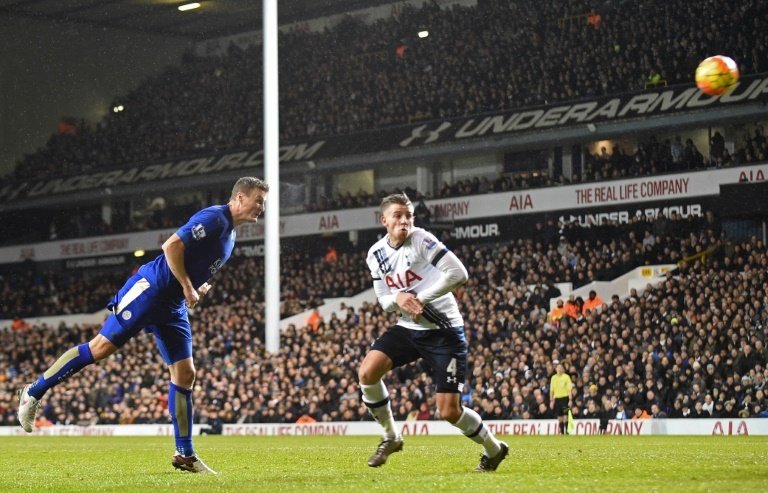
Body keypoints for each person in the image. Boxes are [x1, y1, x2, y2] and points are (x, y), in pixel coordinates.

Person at [17, 177, 269, 475]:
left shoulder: (231, 235)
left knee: (185, 373)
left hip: (172, 306)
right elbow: (171, 245)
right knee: (101, 348)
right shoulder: (215, 218)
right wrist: (188, 287)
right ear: (240, 197)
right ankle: (33, 391)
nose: (262, 208)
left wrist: (195, 288)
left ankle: (185, 454)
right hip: (150, 289)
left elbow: (191, 263)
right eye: (258, 201)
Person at [358, 193, 508, 472]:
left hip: (444, 332)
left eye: (409, 216)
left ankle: (494, 449)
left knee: (449, 411)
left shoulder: (422, 240)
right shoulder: (375, 254)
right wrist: (400, 299)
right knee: (367, 373)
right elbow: (384, 301)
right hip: (409, 328)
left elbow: (459, 274)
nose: (404, 221)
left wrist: (419, 298)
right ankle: (391, 436)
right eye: (398, 216)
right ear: (384, 220)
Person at [549, 361, 573, 435]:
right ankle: (562, 432)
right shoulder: (553, 378)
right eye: (558, 368)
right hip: (557, 399)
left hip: (565, 399)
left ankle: (567, 432)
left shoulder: (566, 377)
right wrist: (551, 401)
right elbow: (551, 391)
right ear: (556, 369)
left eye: (561, 368)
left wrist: (570, 399)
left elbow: (569, 389)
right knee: (559, 417)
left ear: (563, 369)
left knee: (565, 415)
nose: (559, 369)